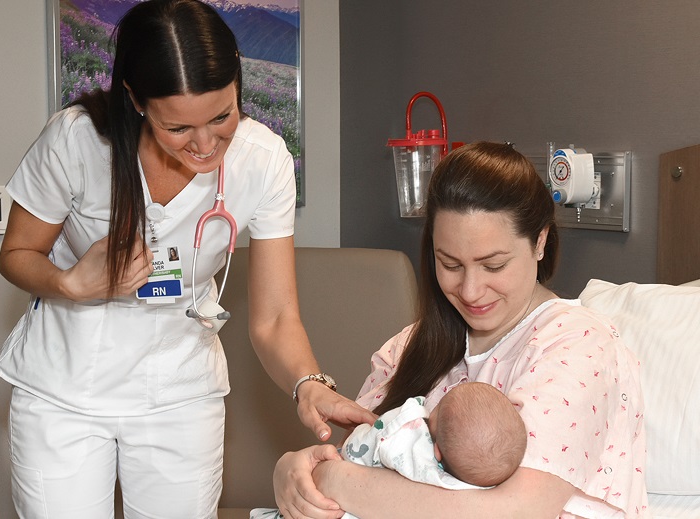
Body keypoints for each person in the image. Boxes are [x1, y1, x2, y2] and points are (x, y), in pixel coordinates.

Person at [0, 1, 373, 517]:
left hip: (179, 392)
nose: (205, 145)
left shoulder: (263, 163)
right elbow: (16, 255)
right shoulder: (78, 142)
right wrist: (71, 283)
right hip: (66, 393)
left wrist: (308, 383)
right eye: (178, 128)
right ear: (136, 100)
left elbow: (276, 316)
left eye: (222, 117)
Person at [273, 142, 648, 518]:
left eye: (493, 266)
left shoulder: (578, 347)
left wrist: (334, 480)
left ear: (540, 242)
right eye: (450, 264)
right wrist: (293, 472)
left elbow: (511, 513)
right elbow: (357, 455)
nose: (469, 290)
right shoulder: (408, 347)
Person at [254, 382, 526, 519]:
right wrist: (291, 467)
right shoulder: (480, 481)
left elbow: (366, 444)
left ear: (437, 452)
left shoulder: (407, 443)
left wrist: (327, 474)